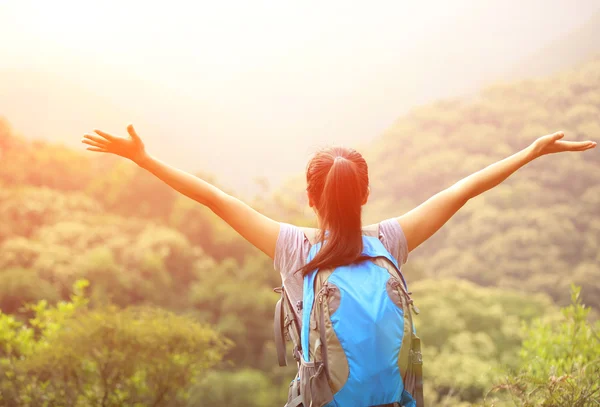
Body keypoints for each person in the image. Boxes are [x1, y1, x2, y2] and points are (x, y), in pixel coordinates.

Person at [82, 125, 595, 403]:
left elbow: (214, 199)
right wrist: (529, 152)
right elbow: (462, 189)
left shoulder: (290, 247)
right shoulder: (391, 238)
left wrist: (143, 159)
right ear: (366, 194)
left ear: (310, 198)